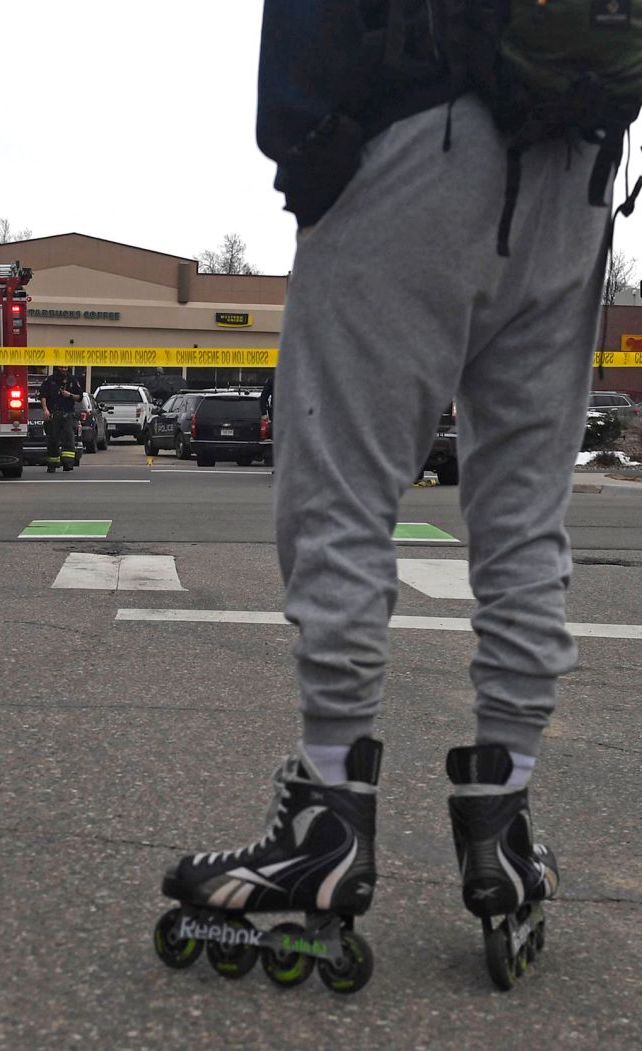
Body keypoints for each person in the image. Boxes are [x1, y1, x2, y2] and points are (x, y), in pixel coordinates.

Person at [155, 3, 613, 991]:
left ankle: (325, 823)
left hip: (417, 134)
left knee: (343, 487)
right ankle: (504, 822)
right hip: (573, 161)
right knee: (525, 512)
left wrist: (307, 154)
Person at [38, 365, 82, 473]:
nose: (63, 369)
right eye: (61, 367)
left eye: (65, 367)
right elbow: (42, 396)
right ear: (57, 367)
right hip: (54, 414)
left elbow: (80, 397)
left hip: (68, 414)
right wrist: (45, 410)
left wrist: (70, 395)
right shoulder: (50, 380)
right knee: (53, 439)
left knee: (69, 439)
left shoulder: (72, 380)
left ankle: (68, 464)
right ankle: (52, 464)